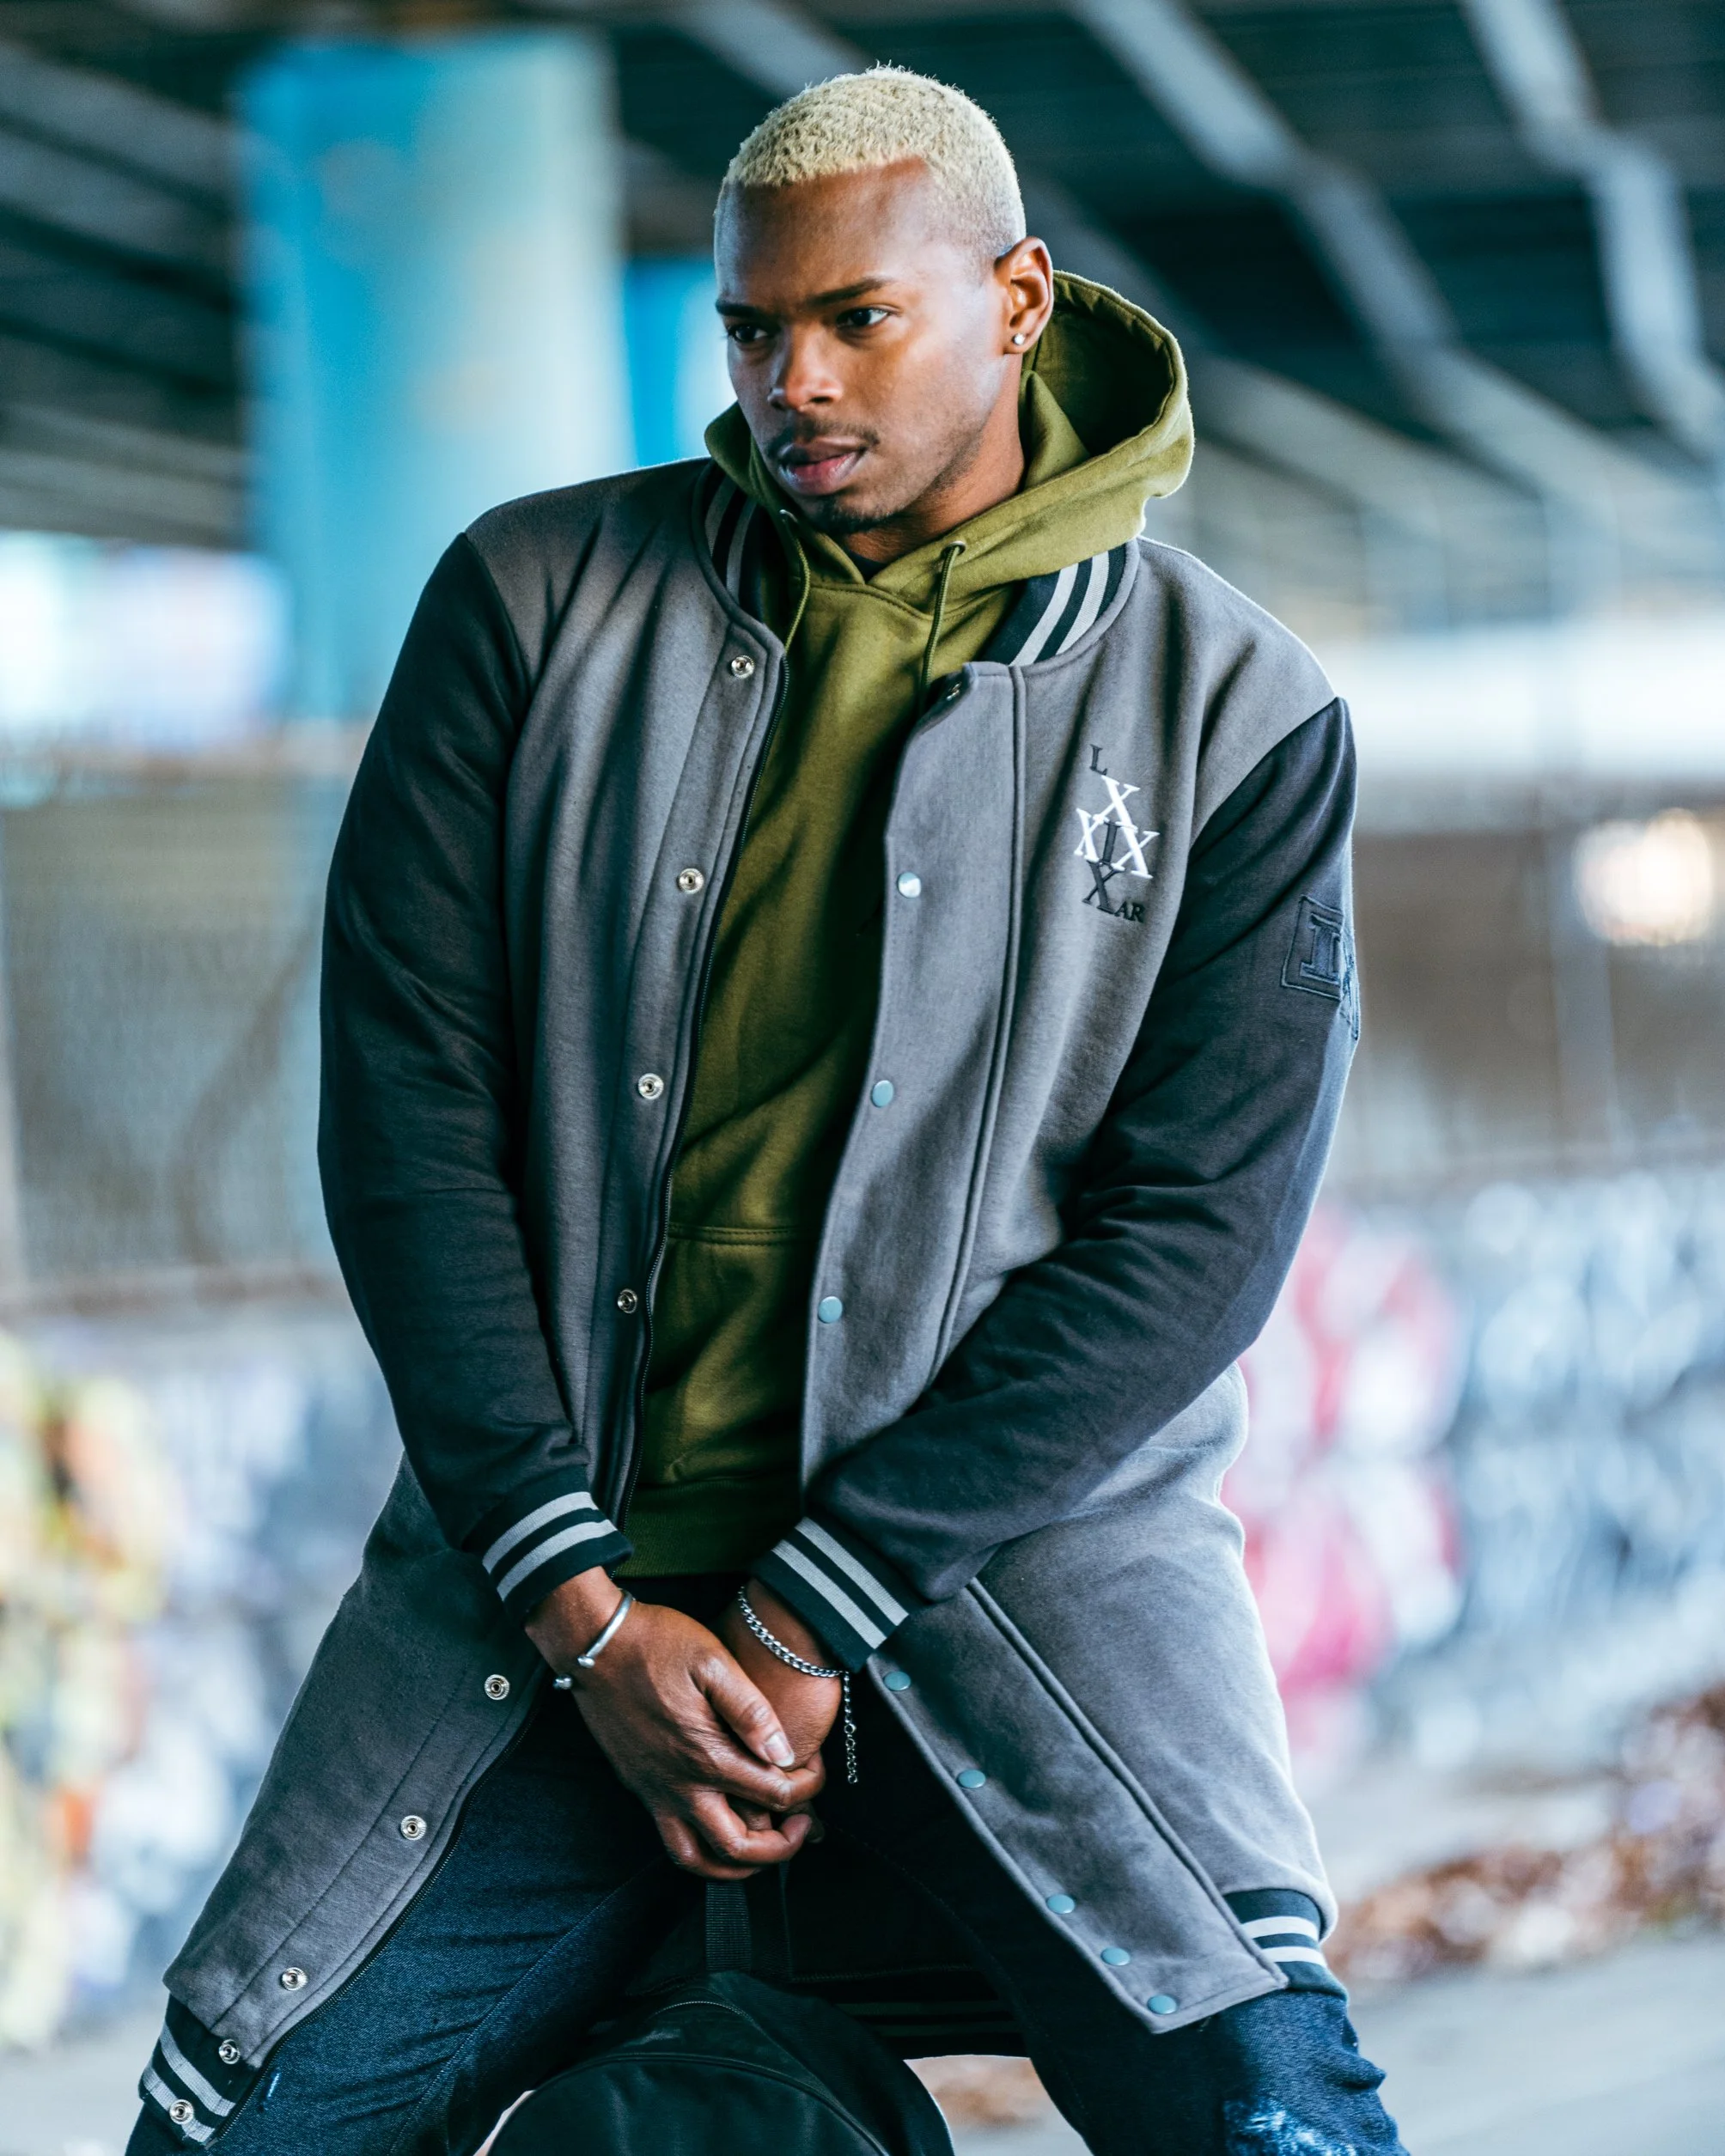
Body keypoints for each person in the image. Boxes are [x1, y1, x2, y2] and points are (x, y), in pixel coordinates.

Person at [130, 65, 1399, 2156]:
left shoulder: (1235, 714)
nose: (787, 380)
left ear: (1013, 298)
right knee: (234, 2127)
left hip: (1010, 1590)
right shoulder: (533, 602)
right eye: (749, 328)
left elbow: (1196, 1239)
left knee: (1275, 2117)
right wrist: (578, 1606)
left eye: (853, 319)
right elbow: (408, 1122)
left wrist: (814, 1608)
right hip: (554, 1607)